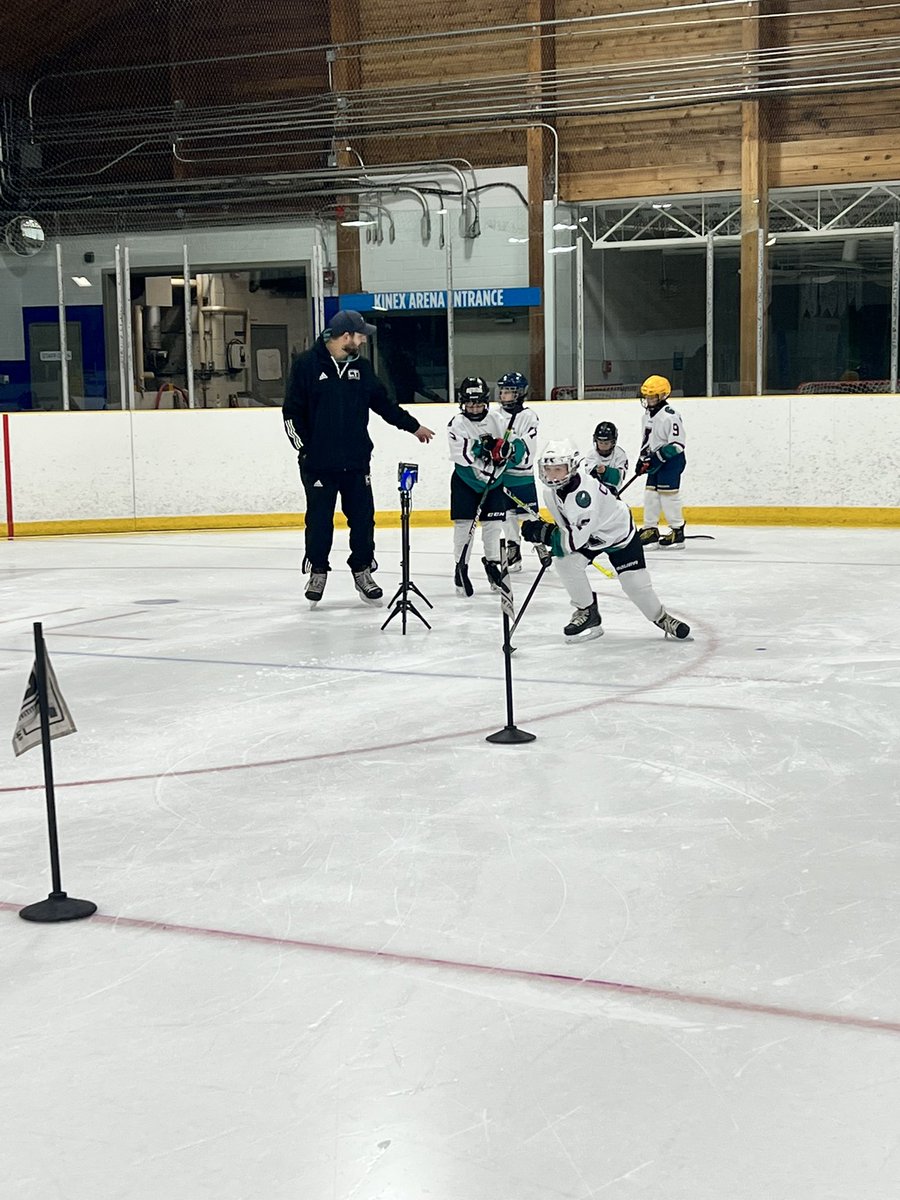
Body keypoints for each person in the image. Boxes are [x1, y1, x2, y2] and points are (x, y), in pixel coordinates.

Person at [283, 310, 434, 607]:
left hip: (355, 463)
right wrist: (305, 449)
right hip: (318, 465)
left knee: (364, 521)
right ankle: (317, 571)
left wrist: (413, 426)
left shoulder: (362, 369)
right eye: (360, 334)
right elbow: (291, 412)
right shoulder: (306, 365)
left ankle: (363, 571)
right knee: (319, 522)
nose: (364, 340)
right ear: (345, 336)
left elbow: (384, 404)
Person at [521, 440, 690, 642]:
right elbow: (567, 529)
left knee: (634, 585)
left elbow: (573, 540)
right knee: (565, 563)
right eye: (548, 469)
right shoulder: (551, 491)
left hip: (617, 535)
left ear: (572, 467)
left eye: (558, 469)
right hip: (591, 535)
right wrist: (551, 535)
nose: (552, 475)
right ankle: (588, 612)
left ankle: (660, 617)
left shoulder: (583, 497)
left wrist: (545, 534)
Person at [447, 376, 524, 596]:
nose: (474, 407)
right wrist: (486, 451)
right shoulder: (456, 424)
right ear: (463, 402)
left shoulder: (497, 419)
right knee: (464, 526)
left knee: (492, 525)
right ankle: (460, 567)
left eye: (478, 402)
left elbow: (516, 447)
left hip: (494, 483)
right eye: (470, 403)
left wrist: (508, 451)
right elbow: (464, 456)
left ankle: (492, 565)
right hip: (466, 482)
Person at [634, 374, 687, 549]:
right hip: (655, 461)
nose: (648, 400)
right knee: (650, 495)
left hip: (671, 461)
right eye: (647, 396)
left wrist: (657, 457)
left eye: (652, 396)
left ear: (663, 396)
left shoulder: (670, 416)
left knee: (668, 497)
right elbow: (647, 440)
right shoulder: (647, 415)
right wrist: (642, 460)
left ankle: (677, 531)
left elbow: (678, 445)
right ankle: (650, 530)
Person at [496, 371, 539, 572]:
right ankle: (514, 551)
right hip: (503, 476)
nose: (503, 395)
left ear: (519, 393)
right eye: (502, 391)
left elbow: (526, 445)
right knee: (507, 515)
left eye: (509, 391)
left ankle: (540, 544)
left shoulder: (528, 416)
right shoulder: (495, 416)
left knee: (530, 515)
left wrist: (510, 455)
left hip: (523, 476)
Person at [583, 421, 628, 494]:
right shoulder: (591, 455)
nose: (603, 446)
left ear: (613, 442)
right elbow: (590, 479)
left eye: (606, 443)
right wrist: (595, 471)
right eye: (600, 442)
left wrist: (605, 471)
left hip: (613, 493)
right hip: (595, 494)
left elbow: (619, 478)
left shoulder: (620, 454)